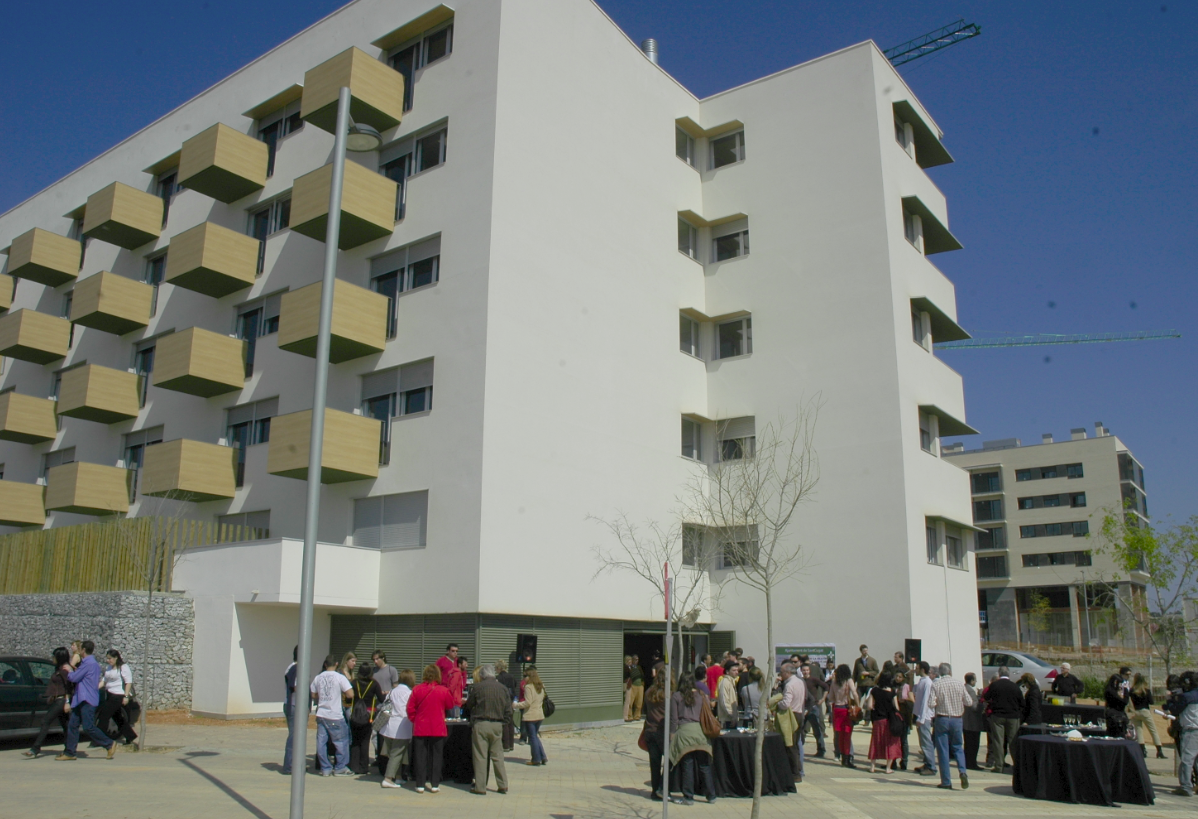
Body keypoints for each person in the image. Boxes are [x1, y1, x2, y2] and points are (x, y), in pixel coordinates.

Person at [58, 641, 115, 761]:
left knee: (88, 726)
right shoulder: (90, 663)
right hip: (80, 699)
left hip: (87, 699)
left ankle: (109, 744)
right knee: (73, 724)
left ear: (83, 650)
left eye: (80, 649)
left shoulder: (88, 664)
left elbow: (74, 677)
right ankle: (70, 752)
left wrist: (69, 669)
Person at [407, 664, 460, 792]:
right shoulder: (443, 690)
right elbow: (449, 705)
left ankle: (420, 784)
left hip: (420, 727)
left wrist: (416, 720)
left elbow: (410, 709)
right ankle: (435, 784)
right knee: (436, 757)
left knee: (420, 756)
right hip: (438, 727)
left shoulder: (416, 689)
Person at [670, 670, 716, 804]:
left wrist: (672, 734)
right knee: (704, 765)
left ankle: (688, 797)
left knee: (687, 765)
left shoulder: (676, 696)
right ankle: (711, 795)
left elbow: (674, 719)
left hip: (684, 732)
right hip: (700, 732)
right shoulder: (701, 696)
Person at [466, 663, 513, 795]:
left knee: (480, 756)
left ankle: (480, 787)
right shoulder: (503, 689)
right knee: (498, 756)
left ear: (482, 675)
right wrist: (504, 723)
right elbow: (509, 710)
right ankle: (503, 785)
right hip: (497, 724)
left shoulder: (477, 687)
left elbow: (470, 705)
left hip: (481, 723)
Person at [24, 647, 73, 759]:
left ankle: (35, 748)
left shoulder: (65, 669)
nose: (52, 658)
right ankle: (69, 749)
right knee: (66, 725)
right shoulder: (59, 668)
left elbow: (69, 688)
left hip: (62, 700)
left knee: (45, 721)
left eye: (54, 656)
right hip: (57, 699)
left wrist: (67, 702)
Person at [931, 662, 973, 791]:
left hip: (942, 718)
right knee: (958, 747)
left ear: (940, 673)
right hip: (957, 718)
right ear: (950, 672)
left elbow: (930, 703)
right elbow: (969, 702)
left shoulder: (936, 684)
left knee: (943, 750)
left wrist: (939, 703)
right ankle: (962, 771)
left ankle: (946, 781)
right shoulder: (959, 683)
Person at [311, 654, 353, 776]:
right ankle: (340, 767)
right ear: (336, 664)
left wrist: (322, 696)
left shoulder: (318, 677)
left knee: (321, 742)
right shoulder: (339, 677)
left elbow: (313, 694)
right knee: (341, 741)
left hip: (321, 713)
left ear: (325, 664)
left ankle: (325, 767)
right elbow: (350, 694)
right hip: (335, 714)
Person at [983, 666, 1023, 773]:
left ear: (999, 674)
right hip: (1013, 717)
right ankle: (1017, 766)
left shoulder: (995, 685)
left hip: (998, 715)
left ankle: (999, 766)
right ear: (1009, 674)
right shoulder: (1015, 686)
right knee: (1013, 742)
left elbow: (986, 697)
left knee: (998, 742)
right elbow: (1021, 702)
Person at [379, 668, 415, 788]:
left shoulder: (392, 692)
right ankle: (388, 778)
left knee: (394, 753)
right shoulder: (409, 694)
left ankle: (398, 776)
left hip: (387, 726)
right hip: (402, 727)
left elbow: (385, 707)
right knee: (397, 753)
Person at [96, 649, 137, 746]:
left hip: (118, 695)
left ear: (116, 658)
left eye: (110, 658)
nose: (108, 660)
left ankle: (100, 738)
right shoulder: (109, 668)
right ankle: (130, 736)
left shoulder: (123, 667)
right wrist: (95, 688)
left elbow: (128, 682)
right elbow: (104, 681)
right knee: (118, 717)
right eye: (107, 659)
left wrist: (126, 696)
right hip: (109, 694)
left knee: (104, 716)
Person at [1166, 670, 1198, 797]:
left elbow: (1175, 710)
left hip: (1191, 730)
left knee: (1187, 759)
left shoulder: (1187, 696)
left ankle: (1186, 786)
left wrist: (1170, 699)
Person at [644, 661, 672, 800]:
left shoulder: (649, 691)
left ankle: (655, 791)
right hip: (663, 731)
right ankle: (663, 787)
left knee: (654, 763)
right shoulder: (668, 695)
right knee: (670, 761)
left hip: (650, 730)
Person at [865, 671, 901, 773]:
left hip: (877, 720)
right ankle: (888, 768)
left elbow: (869, 706)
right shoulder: (892, 692)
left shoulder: (874, 691)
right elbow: (896, 707)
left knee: (876, 742)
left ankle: (872, 767)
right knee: (889, 743)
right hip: (889, 720)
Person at [776, 662, 806, 781]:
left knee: (790, 745)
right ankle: (797, 770)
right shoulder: (800, 682)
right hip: (799, 713)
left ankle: (794, 773)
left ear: (787, 673)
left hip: (791, 714)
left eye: (782, 672)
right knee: (795, 745)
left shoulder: (789, 685)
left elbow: (786, 703)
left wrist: (778, 703)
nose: (781, 675)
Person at [349, 662, 382, 774]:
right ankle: (363, 767)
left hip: (355, 713)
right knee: (365, 741)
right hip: (368, 714)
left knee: (355, 741)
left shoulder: (354, 683)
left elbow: (349, 699)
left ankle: (354, 766)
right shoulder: (374, 684)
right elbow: (381, 699)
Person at [514, 668, 548, 766]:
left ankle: (536, 759)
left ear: (530, 676)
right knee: (535, 736)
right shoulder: (540, 686)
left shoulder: (528, 687)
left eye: (525, 676)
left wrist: (516, 705)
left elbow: (527, 702)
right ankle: (543, 756)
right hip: (539, 715)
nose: (524, 678)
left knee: (532, 738)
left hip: (530, 715)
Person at [828, 663, 859, 768]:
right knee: (847, 735)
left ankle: (842, 757)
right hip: (846, 708)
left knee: (840, 735)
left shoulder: (834, 682)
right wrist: (858, 705)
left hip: (837, 708)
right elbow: (854, 693)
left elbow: (830, 697)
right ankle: (847, 758)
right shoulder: (848, 681)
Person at [1129, 673, 1165, 759]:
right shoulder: (1146, 690)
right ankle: (1159, 750)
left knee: (1139, 731)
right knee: (1153, 731)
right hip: (1145, 711)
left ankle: (1142, 750)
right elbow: (1151, 702)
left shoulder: (1132, 690)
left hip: (1136, 711)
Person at [913, 662, 938, 776]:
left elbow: (925, 702)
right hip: (919, 715)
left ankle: (932, 767)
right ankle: (927, 763)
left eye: (917, 668)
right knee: (923, 742)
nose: (915, 670)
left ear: (922, 669)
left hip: (924, 717)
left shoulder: (928, 683)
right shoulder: (921, 681)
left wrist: (921, 718)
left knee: (927, 742)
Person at [800, 664, 828, 758]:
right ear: (801, 671)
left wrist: (823, 699)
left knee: (817, 730)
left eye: (807, 670)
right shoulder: (800, 681)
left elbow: (826, 687)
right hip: (803, 708)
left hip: (813, 707)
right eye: (804, 670)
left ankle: (821, 750)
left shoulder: (814, 680)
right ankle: (800, 749)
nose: (806, 672)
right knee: (801, 730)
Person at [962, 672, 984, 771]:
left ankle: (968, 762)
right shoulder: (970, 691)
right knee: (973, 744)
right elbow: (974, 706)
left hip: (965, 720)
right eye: (975, 680)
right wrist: (981, 700)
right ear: (971, 681)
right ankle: (972, 763)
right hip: (972, 721)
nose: (976, 682)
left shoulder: (964, 688)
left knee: (968, 744)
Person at [893, 668, 914, 770]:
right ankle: (893, 760)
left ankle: (904, 761)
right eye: (896, 676)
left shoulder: (906, 687)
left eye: (900, 677)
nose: (898, 678)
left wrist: (904, 700)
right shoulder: (893, 687)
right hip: (895, 715)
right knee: (894, 739)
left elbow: (911, 700)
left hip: (904, 715)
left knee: (904, 740)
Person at [495, 660, 517, 752]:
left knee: (504, 722)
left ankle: (505, 745)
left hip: (502, 700)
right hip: (511, 700)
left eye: (496, 668)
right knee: (510, 722)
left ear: (499, 668)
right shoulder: (512, 677)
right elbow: (514, 686)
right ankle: (511, 744)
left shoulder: (498, 678)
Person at [282, 646, 298, 774]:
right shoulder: (296, 668)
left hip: (290, 704)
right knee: (294, 736)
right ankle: (289, 765)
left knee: (294, 736)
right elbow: (296, 686)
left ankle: (292, 764)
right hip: (293, 706)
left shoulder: (290, 667)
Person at [1104, 672, 1131, 738]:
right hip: (1115, 716)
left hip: (1117, 715)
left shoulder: (1111, 690)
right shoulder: (1110, 691)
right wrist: (1126, 691)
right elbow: (1124, 702)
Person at [716, 660, 739, 729]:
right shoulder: (725, 682)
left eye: (737, 670)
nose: (736, 672)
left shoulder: (731, 682)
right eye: (734, 670)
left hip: (731, 719)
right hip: (727, 720)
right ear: (727, 671)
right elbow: (724, 701)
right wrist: (731, 716)